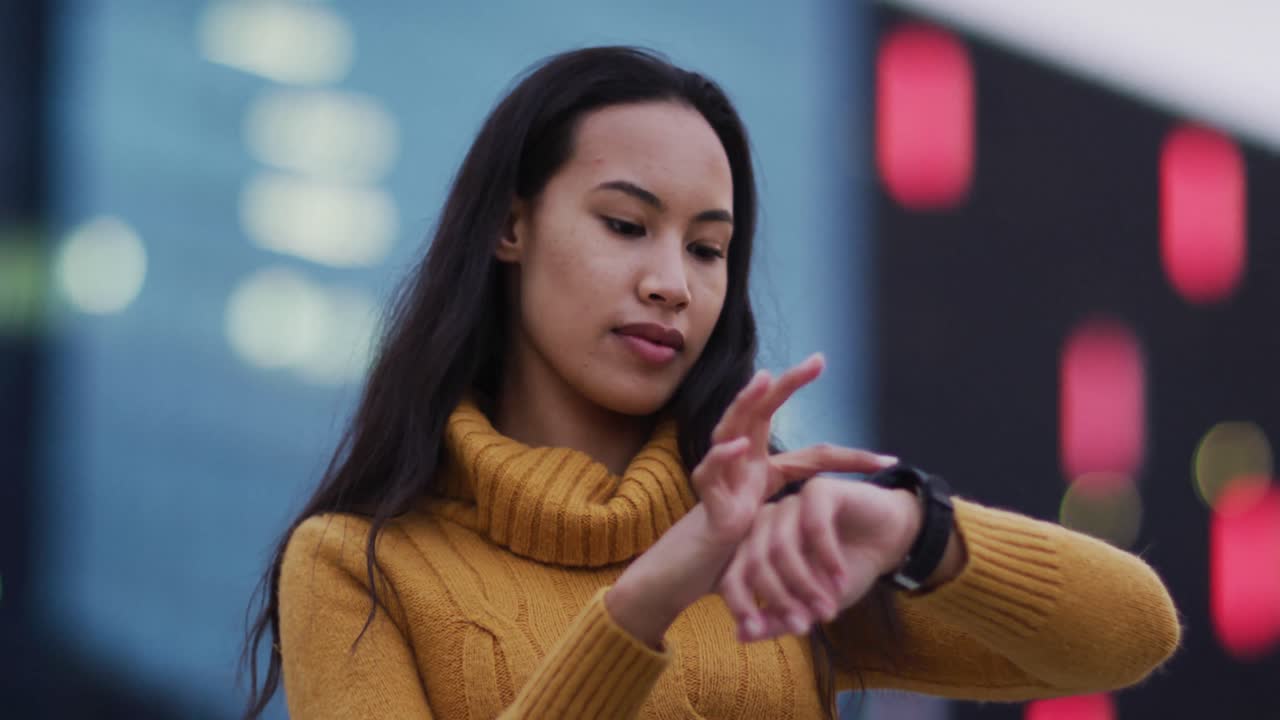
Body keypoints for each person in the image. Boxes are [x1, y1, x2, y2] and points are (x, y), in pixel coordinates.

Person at [241, 47, 1181, 719]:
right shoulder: (353, 567)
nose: (672, 282)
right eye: (624, 225)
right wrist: (650, 596)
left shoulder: (773, 549)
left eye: (708, 248)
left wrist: (910, 524)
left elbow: (1131, 633)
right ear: (510, 226)